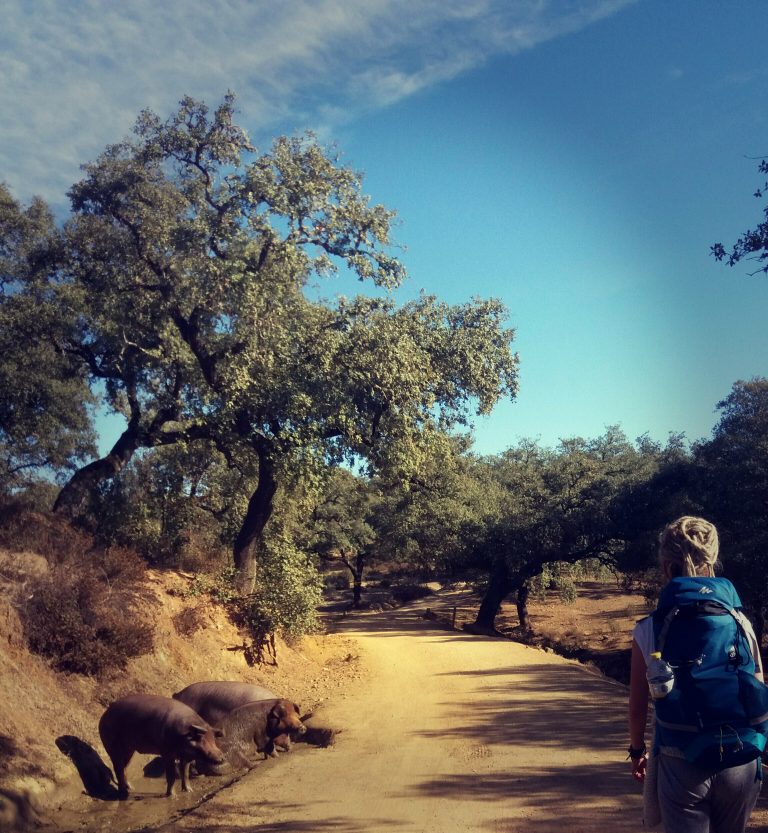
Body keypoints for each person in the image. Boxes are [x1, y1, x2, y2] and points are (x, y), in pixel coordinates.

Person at [628, 516, 765, 832]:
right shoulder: (741, 623)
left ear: (665, 565)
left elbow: (637, 708)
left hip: (681, 758)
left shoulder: (649, 628)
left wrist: (637, 751)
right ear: (713, 560)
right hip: (741, 757)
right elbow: (757, 686)